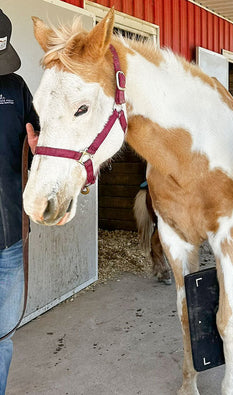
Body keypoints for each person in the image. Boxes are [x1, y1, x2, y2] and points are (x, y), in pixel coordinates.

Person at [0, 9, 39, 395]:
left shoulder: (15, 87)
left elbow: (39, 131)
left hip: (11, 234)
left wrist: (38, 149)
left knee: (2, 337)